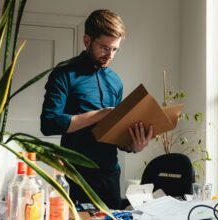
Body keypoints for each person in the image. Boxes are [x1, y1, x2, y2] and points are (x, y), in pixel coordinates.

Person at [40, 9, 153, 209]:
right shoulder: (64, 74)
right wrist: (100, 115)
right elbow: (49, 122)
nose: (109, 55)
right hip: (75, 175)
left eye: (115, 49)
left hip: (110, 176)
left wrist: (133, 146)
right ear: (86, 40)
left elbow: (115, 134)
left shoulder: (115, 81)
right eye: (104, 47)